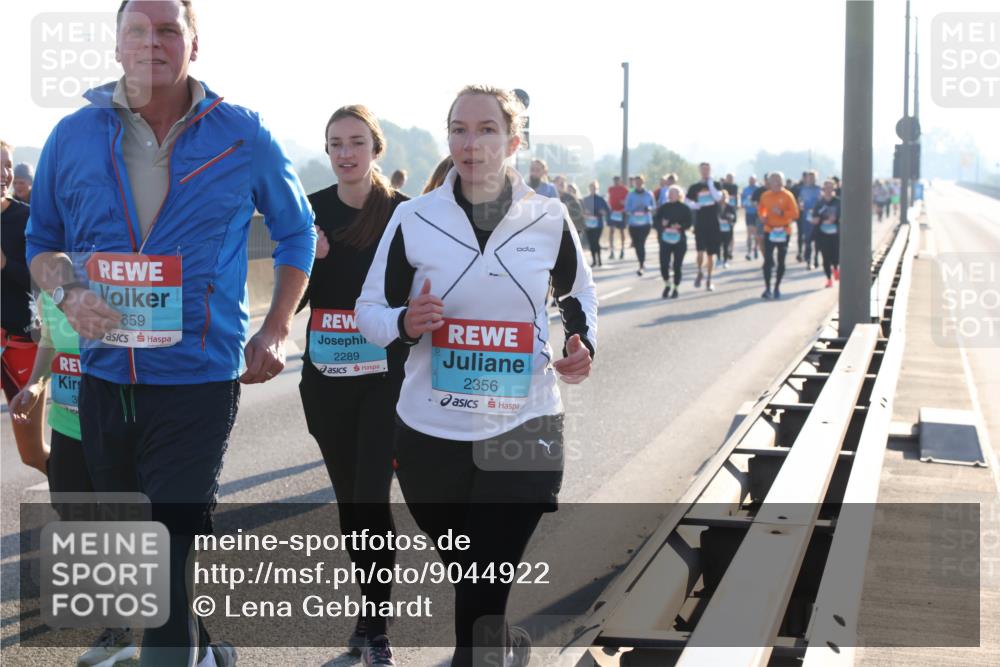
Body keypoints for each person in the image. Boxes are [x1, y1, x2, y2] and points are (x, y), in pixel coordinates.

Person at [25, 2, 317, 665]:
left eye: (166, 30)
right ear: (117, 45)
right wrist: (69, 291)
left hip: (197, 384)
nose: (151, 42)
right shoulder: (72, 135)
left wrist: (276, 328)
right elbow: (41, 240)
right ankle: (202, 650)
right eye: (137, 30)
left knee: (164, 549)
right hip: (103, 381)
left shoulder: (243, 134)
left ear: (194, 44)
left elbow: (297, 231)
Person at [356, 84, 597, 667]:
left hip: (526, 423)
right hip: (430, 433)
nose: (471, 143)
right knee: (471, 572)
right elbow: (370, 314)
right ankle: (503, 646)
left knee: (484, 575)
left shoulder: (548, 216)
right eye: (459, 129)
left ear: (513, 141)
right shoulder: (414, 218)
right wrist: (407, 322)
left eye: (487, 130)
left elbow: (577, 293)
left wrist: (582, 341)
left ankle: (482, 652)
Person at [298, 105, 409, 666]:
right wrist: (312, 261)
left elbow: (423, 292)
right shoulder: (309, 209)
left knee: (371, 493)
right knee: (349, 500)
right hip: (325, 380)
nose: (346, 153)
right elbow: (293, 302)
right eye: (336, 143)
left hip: (384, 377)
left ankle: (377, 626)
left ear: (375, 149)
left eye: (356, 142)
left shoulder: (403, 214)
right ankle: (366, 616)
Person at [10, 289, 139, 667]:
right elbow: (50, 339)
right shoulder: (54, 281)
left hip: (114, 426)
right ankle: (117, 633)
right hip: (66, 424)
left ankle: (180, 626)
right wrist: (36, 383)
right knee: (76, 521)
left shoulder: (109, 278)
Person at [1, 139, 48, 474]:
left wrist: (4, 262)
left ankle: (81, 499)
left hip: (19, 344)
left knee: (31, 453)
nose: (5, 173)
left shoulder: (27, 219)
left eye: (7, 164)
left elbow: (44, 280)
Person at [757, 171, 799, 299]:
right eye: (773, 180)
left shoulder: (787, 195)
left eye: (778, 180)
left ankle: (777, 288)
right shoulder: (765, 195)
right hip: (770, 230)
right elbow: (761, 210)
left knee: (781, 260)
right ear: (769, 183)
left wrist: (781, 213)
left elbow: (795, 214)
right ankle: (767, 288)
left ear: (782, 182)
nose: (776, 183)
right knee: (768, 260)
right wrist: (762, 217)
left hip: (783, 231)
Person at [685, 162, 724, 291]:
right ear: (700, 171)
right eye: (703, 170)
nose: (705, 172)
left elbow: (718, 198)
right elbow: (687, 200)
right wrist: (694, 205)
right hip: (700, 222)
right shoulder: (694, 187)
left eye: (707, 169)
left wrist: (710, 185)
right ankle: (699, 271)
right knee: (700, 251)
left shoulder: (716, 184)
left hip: (713, 222)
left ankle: (709, 279)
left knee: (711, 254)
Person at [653, 185, 692, 299]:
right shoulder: (664, 207)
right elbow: (655, 222)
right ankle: (667, 284)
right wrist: (662, 224)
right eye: (670, 193)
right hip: (665, 240)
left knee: (677, 266)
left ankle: (675, 288)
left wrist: (680, 226)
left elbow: (689, 223)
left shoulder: (685, 208)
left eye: (674, 193)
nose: (671, 195)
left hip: (680, 240)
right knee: (664, 264)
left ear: (679, 195)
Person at [811, 179, 841, 288]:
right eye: (826, 188)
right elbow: (813, 217)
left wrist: (836, 219)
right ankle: (829, 279)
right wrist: (820, 220)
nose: (828, 190)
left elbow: (844, 216)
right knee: (825, 258)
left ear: (834, 189)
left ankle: (836, 268)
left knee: (836, 256)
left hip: (835, 233)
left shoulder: (838, 202)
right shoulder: (819, 203)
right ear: (823, 189)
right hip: (822, 234)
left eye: (830, 187)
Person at [624, 174, 655, 276]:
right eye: (636, 182)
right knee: (637, 244)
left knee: (641, 243)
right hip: (633, 223)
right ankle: (641, 262)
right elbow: (626, 208)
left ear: (643, 182)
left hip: (645, 223)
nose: (638, 184)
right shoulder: (630, 194)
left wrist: (649, 208)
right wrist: (632, 210)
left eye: (640, 182)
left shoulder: (648, 194)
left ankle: (641, 265)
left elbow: (653, 206)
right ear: (634, 183)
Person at [582, 180, 610, 267]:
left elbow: (607, 211)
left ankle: (599, 260)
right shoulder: (585, 199)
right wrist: (585, 213)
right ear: (589, 189)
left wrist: (603, 212)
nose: (592, 189)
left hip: (598, 224)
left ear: (596, 188)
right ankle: (594, 260)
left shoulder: (601, 199)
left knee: (596, 241)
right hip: (588, 224)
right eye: (591, 188)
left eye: (594, 188)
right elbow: (581, 211)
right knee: (591, 242)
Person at [796, 171, 822, 267]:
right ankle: (808, 260)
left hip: (817, 217)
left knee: (817, 240)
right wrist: (800, 205)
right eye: (809, 177)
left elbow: (822, 202)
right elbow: (800, 201)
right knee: (807, 240)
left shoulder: (819, 189)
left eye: (813, 178)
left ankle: (816, 258)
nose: (811, 179)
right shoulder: (803, 189)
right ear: (806, 179)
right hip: (806, 218)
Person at [553, 174, 585, 239]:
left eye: (563, 183)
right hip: (554, 231)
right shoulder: (550, 197)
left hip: (569, 231)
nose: (561, 185)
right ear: (554, 184)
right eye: (559, 183)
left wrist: (567, 208)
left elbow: (578, 214)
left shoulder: (571, 198)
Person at [606, 175, 628, 259]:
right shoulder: (610, 189)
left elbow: (628, 200)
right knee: (611, 231)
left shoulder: (625, 189)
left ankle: (622, 249)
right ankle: (612, 251)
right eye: (615, 180)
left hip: (621, 212)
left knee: (622, 231)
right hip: (613, 212)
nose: (616, 182)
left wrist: (624, 203)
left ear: (620, 181)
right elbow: (608, 199)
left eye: (617, 180)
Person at [742, 175, 761, 260]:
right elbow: (742, 202)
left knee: (757, 234)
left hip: (757, 214)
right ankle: (749, 251)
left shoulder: (759, 189)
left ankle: (756, 248)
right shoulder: (745, 190)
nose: (751, 181)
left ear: (756, 180)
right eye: (750, 180)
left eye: (753, 180)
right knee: (749, 233)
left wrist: (756, 204)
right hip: (749, 213)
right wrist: (747, 203)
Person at [722, 173, 738, 265]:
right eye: (729, 177)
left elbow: (736, 197)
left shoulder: (735, 186)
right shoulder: (723, 186)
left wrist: (737, 206)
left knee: (731, 232)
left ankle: (730, 251)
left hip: (732, 210)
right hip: (724, 209)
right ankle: (724, 251)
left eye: (731, 178)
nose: (730, 179)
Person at [718, 190, 737, 268]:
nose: (723, 198)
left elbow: (735, 218)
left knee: (726, 245)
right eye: (721, 196)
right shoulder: (716, 206)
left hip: (728, 229)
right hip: (718, 229)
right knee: (718, 245)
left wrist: (730, 218)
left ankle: (725, 261)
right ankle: (718, 260)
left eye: (724, 196)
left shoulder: (730, 207)